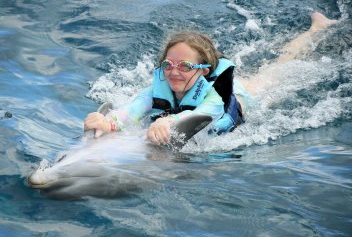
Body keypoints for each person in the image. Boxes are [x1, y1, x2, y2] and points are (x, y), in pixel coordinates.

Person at [84, 12, 337, 146]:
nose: (174, 72)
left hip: (243, 96)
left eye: (184, 66)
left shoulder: (215, 99)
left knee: (279, 66)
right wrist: (110, 122)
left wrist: (168, 122)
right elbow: (133, 109)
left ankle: (317, 30)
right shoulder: (155, 90)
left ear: (204, 70)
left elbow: (198, 116)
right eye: (168, 65)